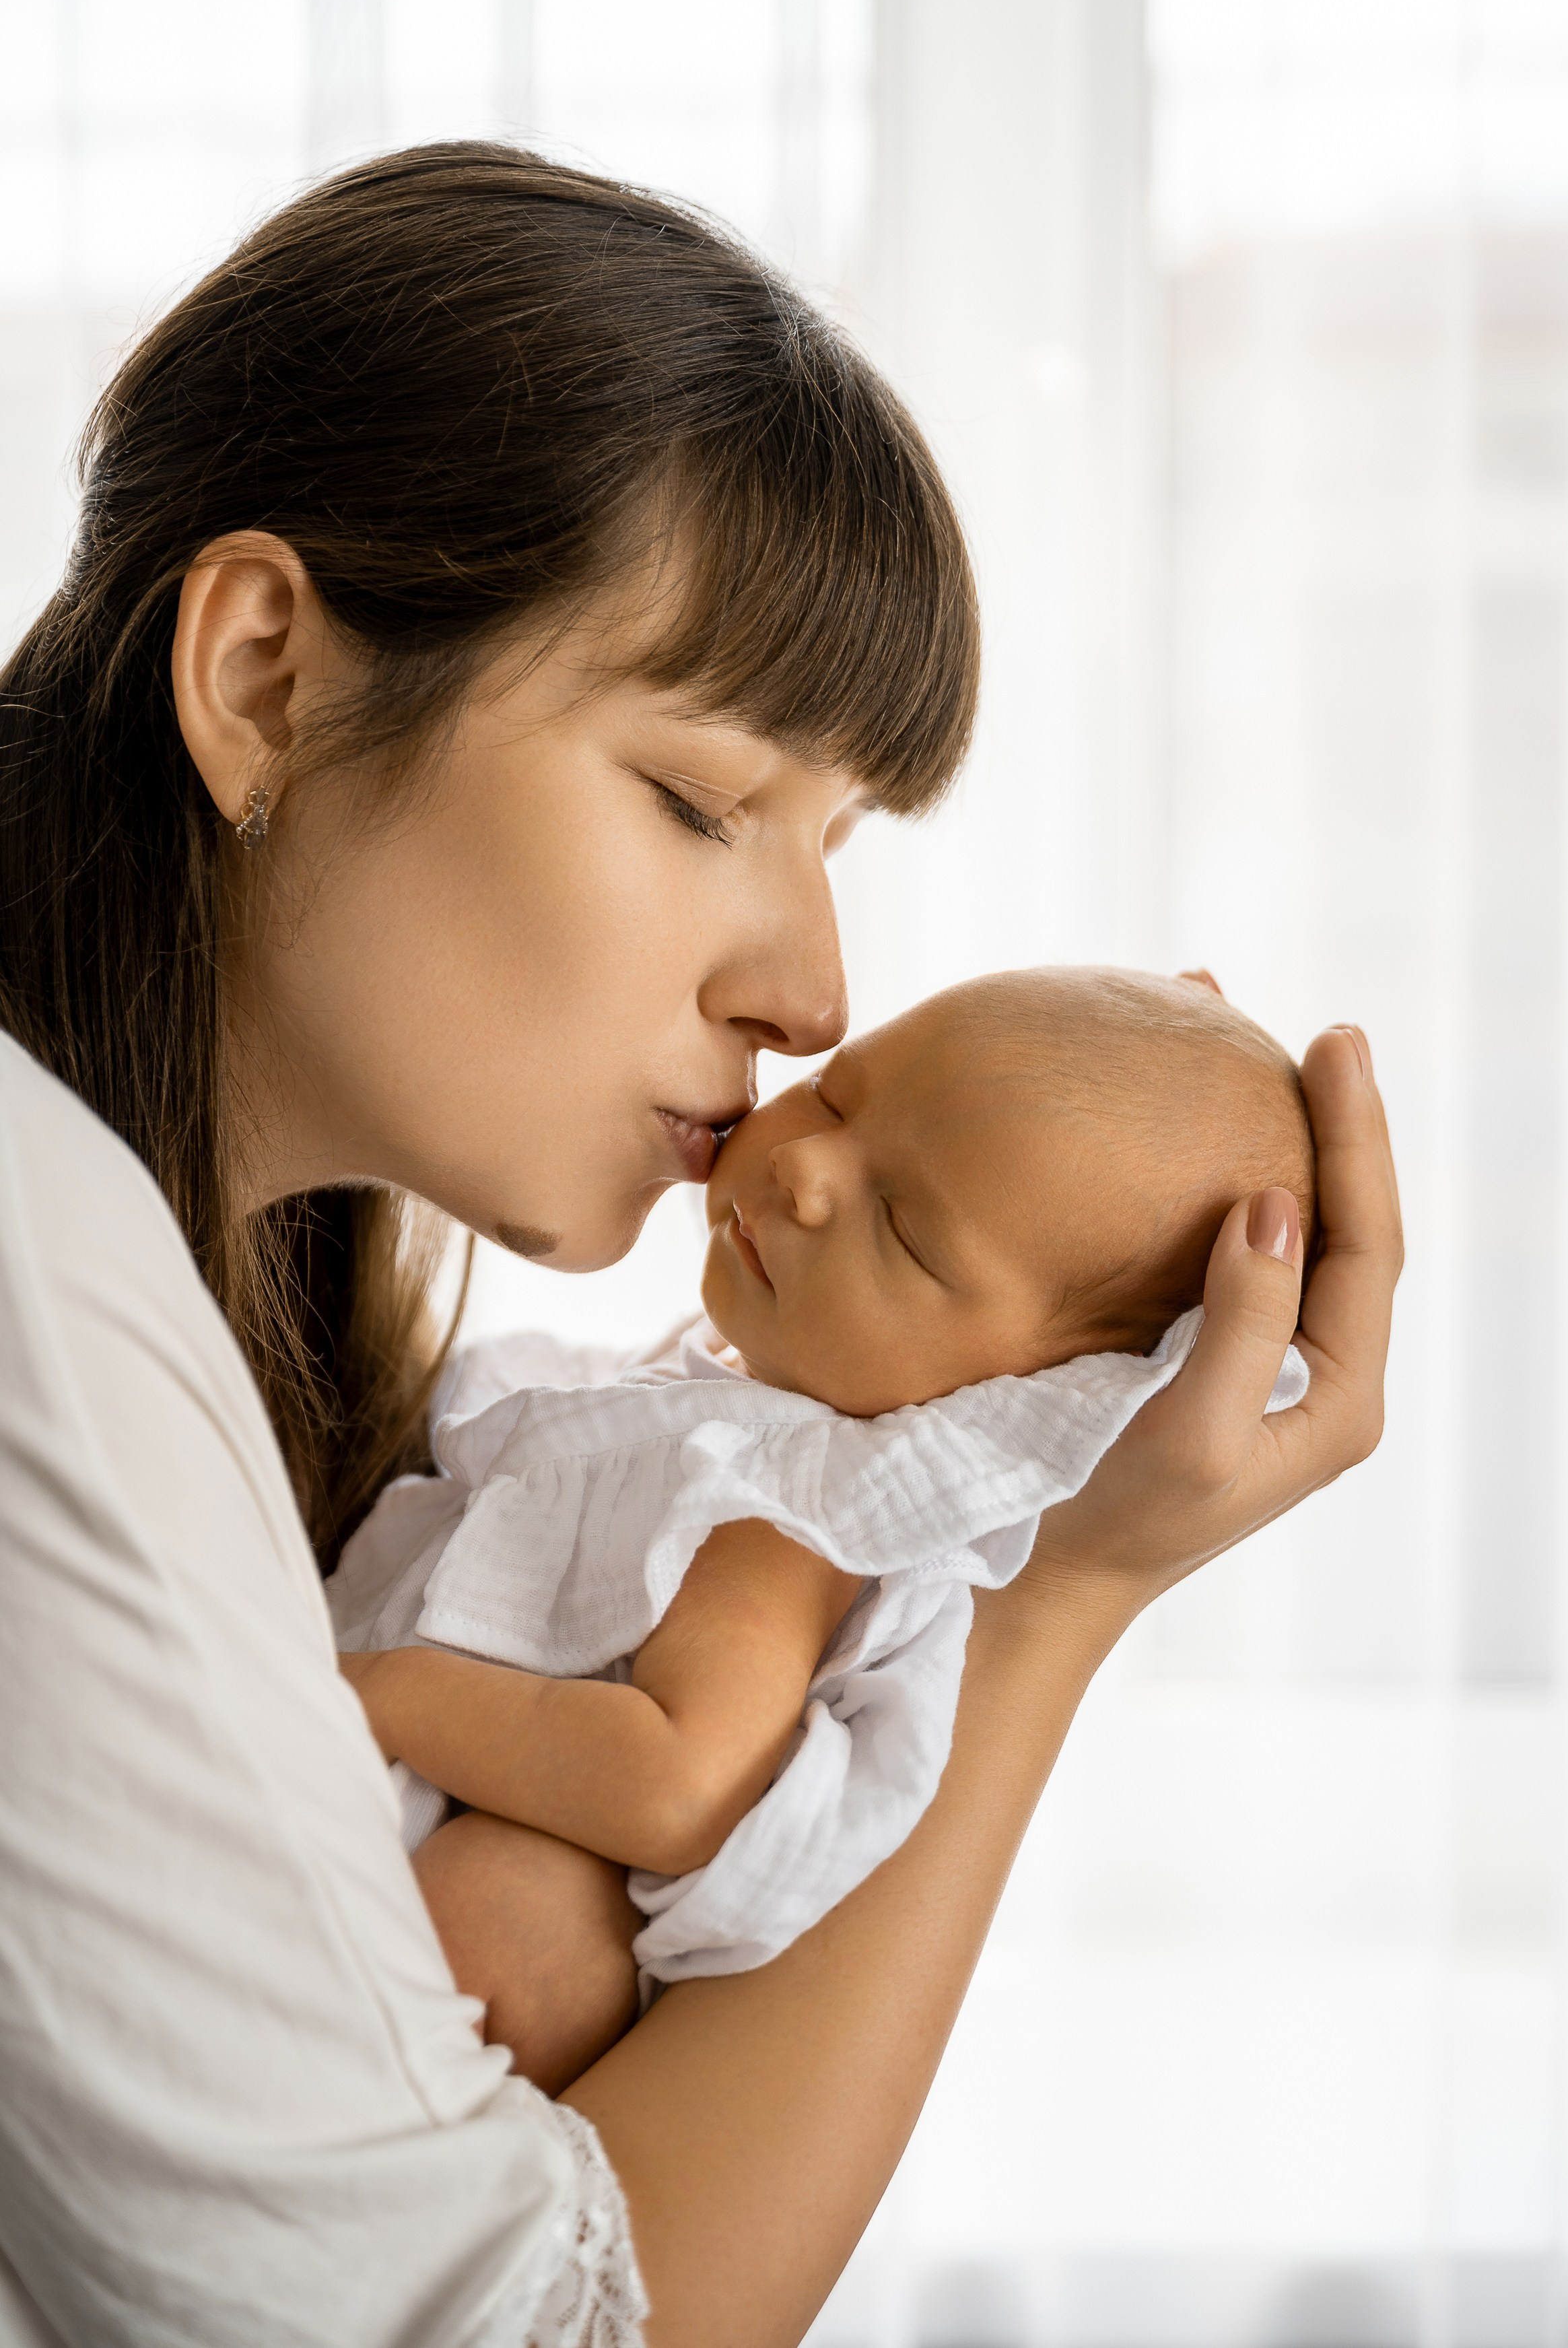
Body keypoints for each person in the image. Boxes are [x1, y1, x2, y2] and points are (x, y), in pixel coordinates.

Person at [0, 143, 1401, 2348]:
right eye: (701, 799)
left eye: (834, 844)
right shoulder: (35, 1270)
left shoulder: (194, 1316)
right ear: (264, 672)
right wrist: (1058, 1591)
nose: (817, 994)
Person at [331, 966, 1316, 2089]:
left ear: (1025, 1396)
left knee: (516, 1907)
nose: (801, 1167)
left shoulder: (785, 1515)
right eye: (839, 1097)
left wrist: (374, 1692)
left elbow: (680, 1786)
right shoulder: (710, 1403)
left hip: (474, 1892)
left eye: (903, 1234)